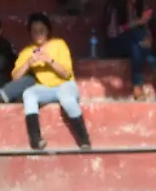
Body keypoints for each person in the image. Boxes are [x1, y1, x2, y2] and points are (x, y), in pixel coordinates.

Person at [6, 12, 92, 151]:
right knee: (29, 94)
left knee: (66, 98)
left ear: (47, 31)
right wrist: (28, 63)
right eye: (34, 31)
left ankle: (84, 139)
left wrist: (49, 60)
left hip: (66, 85)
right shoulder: (28, 51)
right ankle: (36, 140)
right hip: (46, 89)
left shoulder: (59, 44)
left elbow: (66, 73)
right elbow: (15, 78)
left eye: (41, 30)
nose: (38, 34)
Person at [101, 0, 156, 100]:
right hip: (116, 44)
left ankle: (137, 85)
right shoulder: (115, 5)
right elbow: (112, 32)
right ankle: (149, 57)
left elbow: (145, 29)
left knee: (136, 44)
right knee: (135, 35)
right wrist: (137, 22)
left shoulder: (140, 4)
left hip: (135, 44)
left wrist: (149, 38)